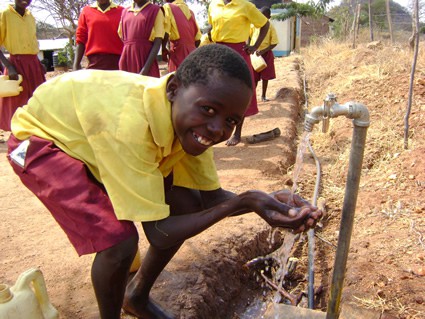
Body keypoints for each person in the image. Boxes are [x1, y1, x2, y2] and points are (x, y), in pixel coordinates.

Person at [7, 44, 321, 319]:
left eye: (230, 121)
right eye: (209, 110)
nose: (216, 129)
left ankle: (137, 295)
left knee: (187, 201)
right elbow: (158, 233)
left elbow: (210, 200)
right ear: (173, 90)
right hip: (38, 142)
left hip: (90, 135)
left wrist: (267, 201)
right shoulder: (130, 125)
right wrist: (246, 200)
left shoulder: (190, 124)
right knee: (119, 242)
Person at [208, 0, 270, 146]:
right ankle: (217, 130)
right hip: (218, 52)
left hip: (238, 54)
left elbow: (265, 24)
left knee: (238, 93)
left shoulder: (245, 6)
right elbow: (212, 26)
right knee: (217, 93)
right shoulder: (213, 5)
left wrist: (254, 46)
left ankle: (237, 133)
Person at [0, 0, 45, 133]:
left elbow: (32, 41)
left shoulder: (30, 16)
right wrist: (8, 66)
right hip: (17, 64)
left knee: (37, 102)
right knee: (17, 105)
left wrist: (38, 62)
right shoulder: (5, 14)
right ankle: (17, 143)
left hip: (34, 65)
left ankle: (34, 141)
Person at [73, 0, 124, 71]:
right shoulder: (86, 11)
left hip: (117, 63)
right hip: (94, 63)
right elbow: (81, 39)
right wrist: (76, 65)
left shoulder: (122, 11)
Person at [118, 0, 164, 76]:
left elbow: (158, 42)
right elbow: (122, 37)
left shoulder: (155, 10)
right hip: (127, 61)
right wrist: (130, 50)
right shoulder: (125, 12)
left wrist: (144, 70)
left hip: (146, 60)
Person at [161, 0, 201, 73]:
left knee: (177, 81)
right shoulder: (191, 12)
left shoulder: (168, 7)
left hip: (178, 52)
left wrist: (163, 49)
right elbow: (198, 40)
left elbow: (165, 33)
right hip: (193, 53)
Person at [250, 7, 278, 103]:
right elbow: (249, 37)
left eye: (264, 16)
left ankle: (263, 95)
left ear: (269, 17)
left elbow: (274, 43)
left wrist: (263, 51)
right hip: (255, 55)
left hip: (266, 54)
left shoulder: (270, 27)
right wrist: (251, 47)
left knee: (265, 76)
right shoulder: (254, 26)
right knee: (254, 77)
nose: (261, 18)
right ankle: (252, 98)